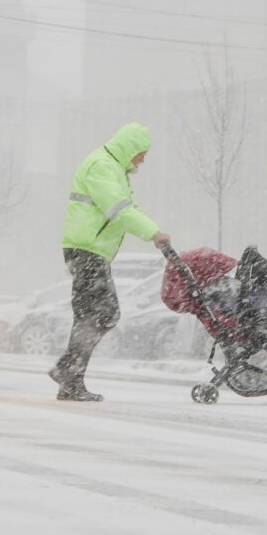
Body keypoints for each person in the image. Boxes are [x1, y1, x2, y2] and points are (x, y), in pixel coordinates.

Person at [49, 122, 171, 401]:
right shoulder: (102, 166)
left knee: (88, 315)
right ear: (130, 149)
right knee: (105, 313)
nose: (143, 160)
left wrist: (153, 229)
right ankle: (68, 370)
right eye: (142, 153)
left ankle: (69, 380)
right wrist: (153, 233)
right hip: (87, 251)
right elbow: (120, 210)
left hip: (91, 251)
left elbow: (129, 209)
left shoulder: (115, 170)